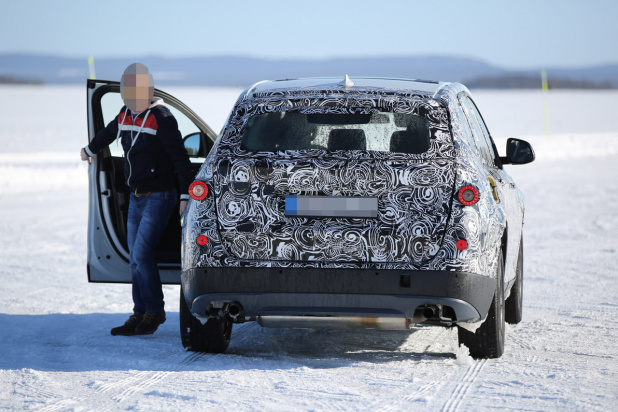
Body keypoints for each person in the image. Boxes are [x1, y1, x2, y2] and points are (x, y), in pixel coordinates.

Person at [81, 63, 193, 336]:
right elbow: (108, 134)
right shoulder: (125, 115)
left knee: (142, 254)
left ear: (148, 90)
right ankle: (139, 312)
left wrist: (184, 195)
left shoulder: (161, 118)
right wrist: (88, 150)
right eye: (126, 90)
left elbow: (181, 159)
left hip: (160, 196)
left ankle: (154, 311)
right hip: (136, 197)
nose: (130, 96)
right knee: (134, 258)